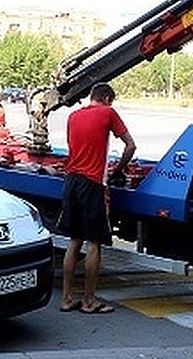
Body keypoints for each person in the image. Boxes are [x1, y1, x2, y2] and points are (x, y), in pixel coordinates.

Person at [58, 82, 136, 314]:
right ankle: (90, 301)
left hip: (71, 181)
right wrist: (119, 169)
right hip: (93, 185)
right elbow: (130, 146)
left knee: (74, 241)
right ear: (108, 99)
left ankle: (67, 298)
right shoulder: (108, 112)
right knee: (94, 243)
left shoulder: (73, 116)